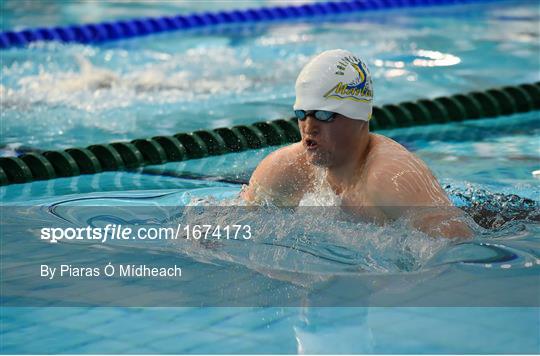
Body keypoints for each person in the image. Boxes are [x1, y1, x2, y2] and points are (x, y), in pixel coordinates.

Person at [241, 49, 472, 239]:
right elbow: (238, 223)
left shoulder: (391, 179)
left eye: (323, 114)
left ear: (359, 116)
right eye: (302, 113)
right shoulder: (284, 169)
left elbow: (459, 249)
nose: (308, 127)